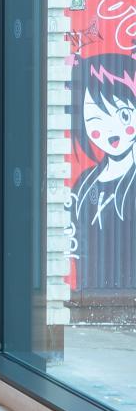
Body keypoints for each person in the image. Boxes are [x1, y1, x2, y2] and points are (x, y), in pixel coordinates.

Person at [70, 50, 136, 297]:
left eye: (123, 114)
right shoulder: (84, 184)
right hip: (87, 293)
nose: (111, 129)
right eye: (96, 119)